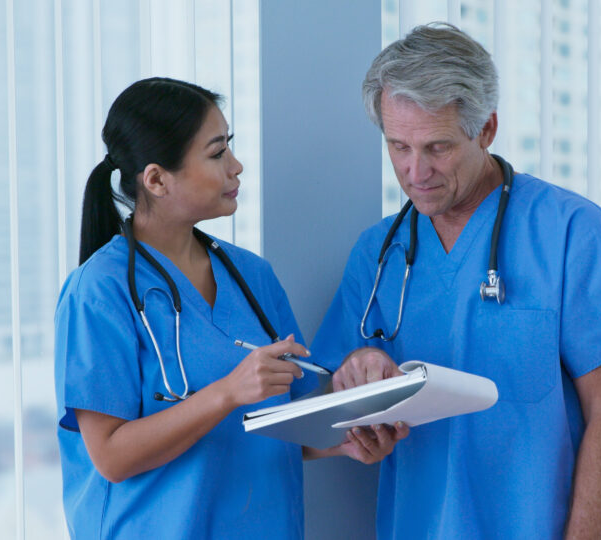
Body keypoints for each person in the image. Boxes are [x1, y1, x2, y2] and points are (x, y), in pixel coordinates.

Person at [310, 24, 601, 539]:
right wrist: (357, 375)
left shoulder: (573, 234)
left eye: (438, 147)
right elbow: (328, 411)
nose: (416, 171)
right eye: (398, 147)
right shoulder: (379, 253)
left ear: (487, 129)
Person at [54, 77, 403, 539]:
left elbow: (279, 425)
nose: (236, 167)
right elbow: (112, 457)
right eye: (217, 153)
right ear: (157, 179)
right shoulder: (99, 291)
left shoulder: (252, 277)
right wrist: (226, 392)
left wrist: (344, 443)